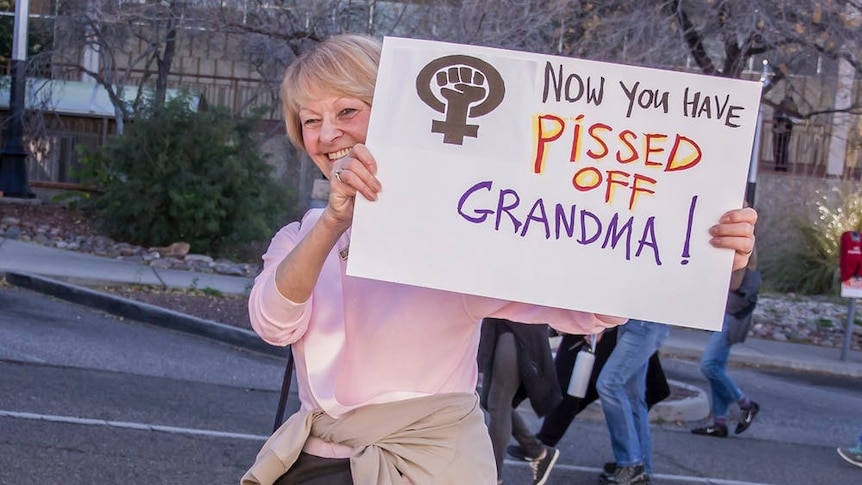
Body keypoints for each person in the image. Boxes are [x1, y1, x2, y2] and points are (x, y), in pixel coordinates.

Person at [240, 33, 758, 485]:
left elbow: (586, 309)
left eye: (347, 111)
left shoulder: (454, 233)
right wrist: (332, 223)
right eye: (311, 120)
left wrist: (711, 260)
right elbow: (272, 322)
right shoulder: (300, 237)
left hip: (429, 471)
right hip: (317, 465)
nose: (327, 134)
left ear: (399, 113)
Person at [506, 328, 670, 469]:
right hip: (608, 325)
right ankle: (636, 464)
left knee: (606, 388)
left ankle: (633, 463)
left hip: (605, 325)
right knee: (617, 391)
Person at [478, 318, 561, 485]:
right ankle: (538, 452)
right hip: (498, 322)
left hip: (518, 325)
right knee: (489, 400)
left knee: (497, 404)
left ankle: (494, 478)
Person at [691, 248, 762, 439]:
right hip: (733, 314)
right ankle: (719, 422)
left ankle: (746, 404)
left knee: (709, 366)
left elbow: (735, 282)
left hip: (731, 316)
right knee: (717, 368)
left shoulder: (742, 244)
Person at [596, 320, 671, 485]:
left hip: (644, 324)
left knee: (609, 384)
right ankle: (641, 466)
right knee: (633, 397)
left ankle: (632, 463)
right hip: (638, 323)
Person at [772, 95, 797, 171]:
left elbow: (794, 119)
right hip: (778, 130)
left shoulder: (792, 109)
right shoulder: (779, 108)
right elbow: (775, 117)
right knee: (777, 148)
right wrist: (778, 125)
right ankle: (777, 165)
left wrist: (786, 124)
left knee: (784, 148)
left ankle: (783, 165)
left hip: (786, 131)